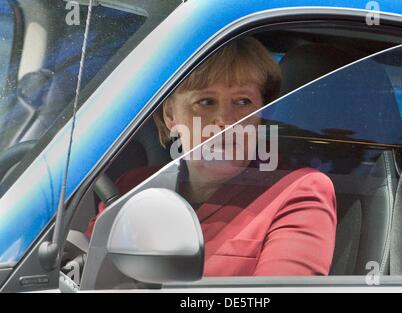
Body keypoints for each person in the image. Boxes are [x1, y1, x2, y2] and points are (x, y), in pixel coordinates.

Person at [86, 37, 337, 276]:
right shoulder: (133, 188)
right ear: (170, 116)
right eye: (206, 102)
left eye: (243, 101)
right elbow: (80, 273)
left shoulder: (297, 191)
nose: (226, 121)